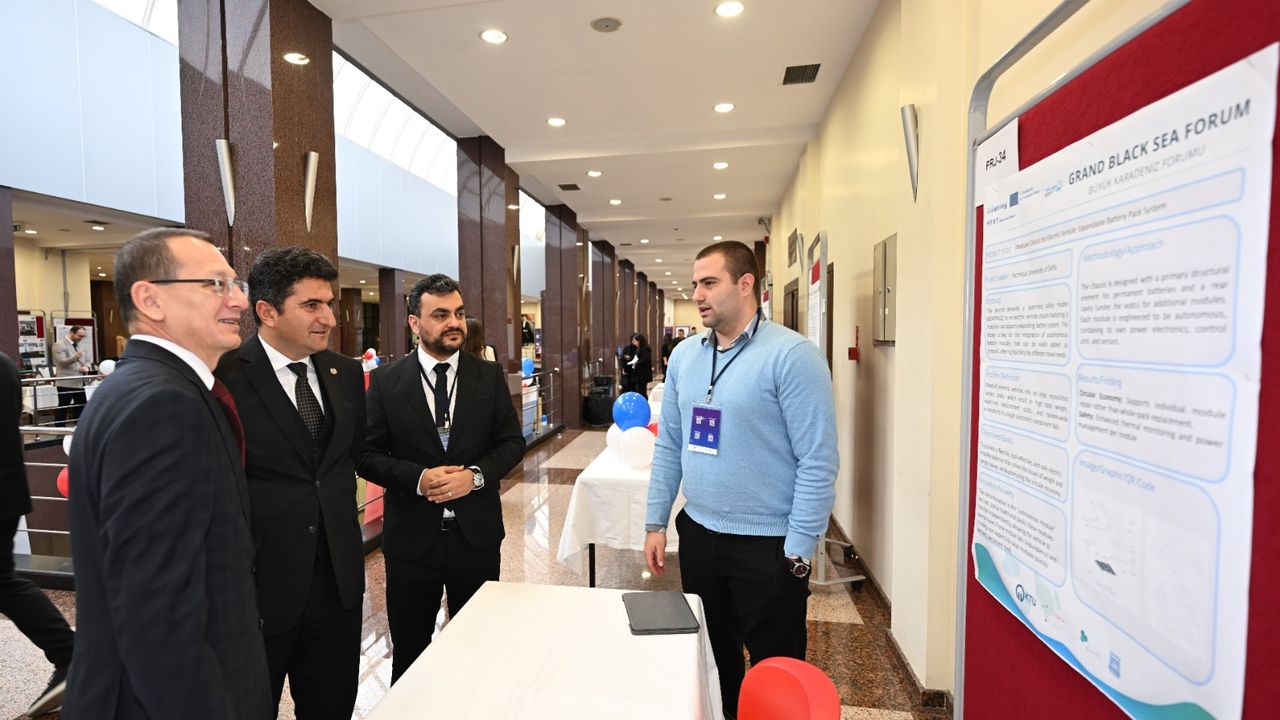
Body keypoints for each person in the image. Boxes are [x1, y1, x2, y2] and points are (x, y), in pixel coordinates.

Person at [63, 228, 271, 719]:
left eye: (236, 284)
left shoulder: (144, 387)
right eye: (216, 284)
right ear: (150, 299)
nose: (239, 300)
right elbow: (158, 614)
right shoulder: (163, 405)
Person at [643, 240, 837, 719]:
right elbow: (670, 444)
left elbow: (818, 460)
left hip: (769, 545)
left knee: (776, 670)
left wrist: (798, 551)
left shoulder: (793, 356)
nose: (698, 294)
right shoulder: (685, 356)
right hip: (700, 535)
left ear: (746, 284)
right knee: (714, 661)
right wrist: (655, 522)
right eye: (695, 284)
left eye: (710, 283)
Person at [213, 247, 366, 719]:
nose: (329, 318)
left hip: (337, 586)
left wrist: (422, 478)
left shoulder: (345, 372)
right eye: (311, 305)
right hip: (259, 588)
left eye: (330, 304)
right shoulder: (223, 377)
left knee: (332, 707)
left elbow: (354, 456)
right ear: (266, 311)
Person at [359, 274, 525, 682]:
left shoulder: (488, 376)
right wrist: (419, 479)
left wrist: (475, 477)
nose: (454, 322)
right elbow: (366, 455)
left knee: (479, 651)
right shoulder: (386, 382)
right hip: (412, 544)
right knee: (411, 654)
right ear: (414, 323)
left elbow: (511, 444)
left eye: (459, 313)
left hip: (476, 539)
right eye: (441, 314)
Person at [0, 351, 75, 717]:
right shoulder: (4, 365)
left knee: (3, 582)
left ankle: (69, 653)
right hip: (7, 493)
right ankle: (69, 654)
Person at [51, 325, 90, 425]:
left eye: (83, 336)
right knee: (63, 406)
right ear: (72, 333)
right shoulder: (59, 345)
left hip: (81, 381)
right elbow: (61, 362)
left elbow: (88, 360)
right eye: (79, 336)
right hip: (66, 382)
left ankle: (79, 427)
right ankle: (60, 429)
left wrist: (87, 367)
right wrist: (75, 357)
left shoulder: (81, 345)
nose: (81, 338)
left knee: (80, 406)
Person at [627, 333, 653, 398]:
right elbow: (636, 358)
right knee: (638, 390)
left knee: (642, 391)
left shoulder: (646, 348)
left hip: (642, 374)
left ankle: (644, 402)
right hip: (638, 374)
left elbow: (646, 359)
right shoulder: (638, 349)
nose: (634, 343)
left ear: (639, 341)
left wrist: (636, 363)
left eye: (635, 341)